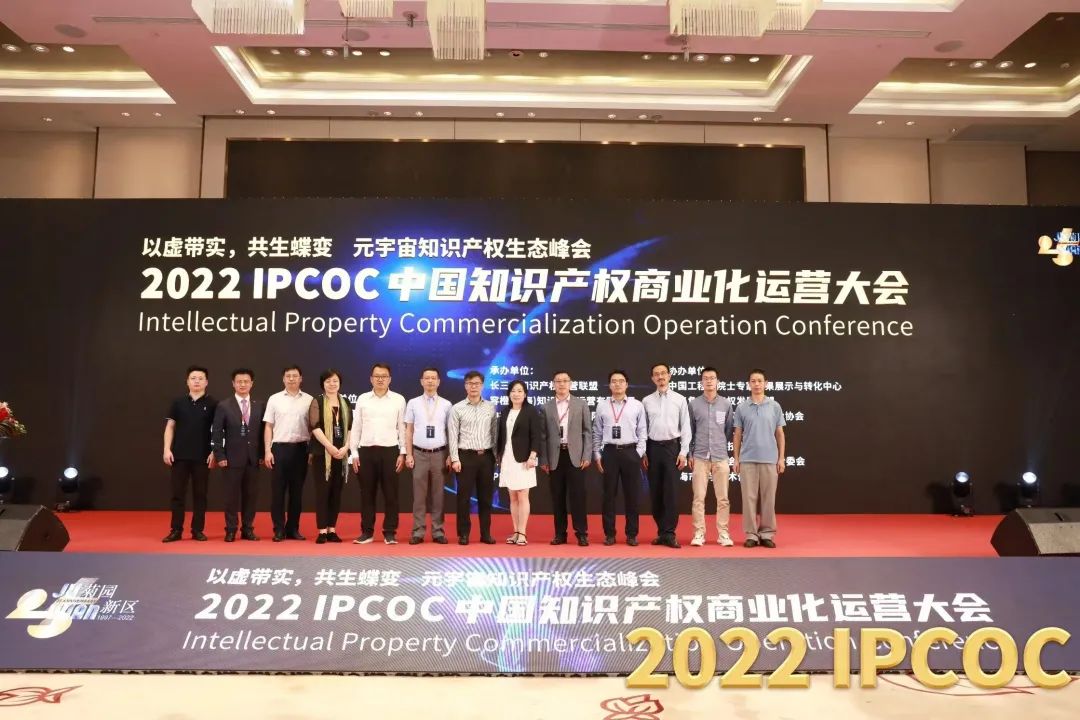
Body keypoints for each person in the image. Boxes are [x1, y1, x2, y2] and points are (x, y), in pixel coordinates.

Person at [349, 363, 406, 545]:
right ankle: (367, 532)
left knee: (391, 494)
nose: (380, 379)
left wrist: (402, 453)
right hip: (366, 451)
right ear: (371, 379)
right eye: (377, 376)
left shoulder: (398, 399)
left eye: (384, 376)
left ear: (390, 379)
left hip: (390, 451)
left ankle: (390, 532)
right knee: (367, 494)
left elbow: (402, 428)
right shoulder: (363, 399)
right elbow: (356, 427)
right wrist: (354, 452)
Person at [592, 369, 647, 546]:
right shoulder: (602, 405)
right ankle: (609, 534)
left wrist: (638, 453)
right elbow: (596, 432)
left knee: (632, 495)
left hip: (631, 452)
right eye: (614, 381)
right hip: (610, 452)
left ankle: (632, 534)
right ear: (609, 385)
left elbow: (643, 431)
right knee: (608, 495)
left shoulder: (637, 405)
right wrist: (597, 454)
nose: (617, 384)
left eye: (621, 381)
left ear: (627, 384)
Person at [733, 368, 787, 549]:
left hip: (770, 459)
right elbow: (737, 435)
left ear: (766, 384)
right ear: (749, 384)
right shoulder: (742, 407)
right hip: (747, 459)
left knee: (768, 498)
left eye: (760, 381)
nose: (757, 384)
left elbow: (780, 433)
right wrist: (736, 459)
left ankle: (767, 533)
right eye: (753, 381)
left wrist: (781, 458)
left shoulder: (774, 406)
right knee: (748, 499)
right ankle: (751, 534)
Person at [162, 365, 216, 543]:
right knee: (177, 495)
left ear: (206, 382)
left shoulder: (213, 404)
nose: (197, 381)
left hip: (203, 456)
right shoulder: (178, 403)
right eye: (193, 378)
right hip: (179, 456)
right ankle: (176, 530)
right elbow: (170, 427)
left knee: (200, 495)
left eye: (200, 378)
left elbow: (218, 431)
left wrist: (215, 451)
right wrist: (167, 449)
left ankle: (197, 530)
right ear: (187, 381)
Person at [539, 370, 592, 546]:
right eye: (558, 381)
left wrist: (586, 454)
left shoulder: (581, 404)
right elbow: (543, 436)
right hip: (555, 457)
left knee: (578, 497)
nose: (561, 384)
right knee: (558, 497)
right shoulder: (546, 407)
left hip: (575, 456)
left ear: (570, 383)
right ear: (553, 384)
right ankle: (560, 534)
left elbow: (587, 432)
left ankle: (581, 533)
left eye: (565, 381)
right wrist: (544, 459)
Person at [642, 363, 691, 549]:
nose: (660, 377)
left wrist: (683, 452)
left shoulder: (680, 399)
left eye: (663, 373)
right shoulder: (646, 401)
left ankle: (670, 533)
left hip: (672, 448)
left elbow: (685, 427)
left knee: (670, 492)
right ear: (652, 378)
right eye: (657, 374)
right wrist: (643, 451)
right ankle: (661, 532)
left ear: (669, 376)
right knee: (656, 492)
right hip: (652, 448)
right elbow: (643, 428)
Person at [211, 368, 263, 542]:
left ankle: (248, 529)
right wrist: (220, 455)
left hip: (253, 459)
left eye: (246, 381)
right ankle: (231, 529)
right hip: (231, 459)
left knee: (251, 497)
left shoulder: (259, 405)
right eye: (239, 381)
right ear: (233, 384)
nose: (242, 384)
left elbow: (263, 432)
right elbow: (217, 432)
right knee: (231, 497)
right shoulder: (224, 406)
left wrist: (262, 454)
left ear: (252, 383)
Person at [263, 365, 313, 542]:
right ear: (283, 379)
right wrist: (267, 450)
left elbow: (313, 428)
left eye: (295, 376)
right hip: (279, 449)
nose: (291, 379)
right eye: (288, 376)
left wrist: (311, 451)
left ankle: (293, 528)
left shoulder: (309, 400)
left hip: (301, 449)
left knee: (296, 493)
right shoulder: (274, 399)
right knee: (278, 492)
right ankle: (278, 529)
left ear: (301, 378)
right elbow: (268, 426)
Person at [448, 370, 498, 545]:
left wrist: (496, 456)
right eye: (470, 383)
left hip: (486, 457)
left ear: (482, 385)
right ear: (465, 386)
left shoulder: (490, 407)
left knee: (486, 498)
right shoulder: (457, 408)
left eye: (477, 383)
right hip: (465, 457)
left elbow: (494, 433)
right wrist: (455, 458)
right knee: (464, 498)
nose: (473, 387)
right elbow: (452, 435)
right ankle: (463, 534)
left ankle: (486, 533)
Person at [404, 367, 452, 545]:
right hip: (419, 453)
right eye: (427, 378)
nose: (430, 381)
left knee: (438, 496)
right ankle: (418, 531)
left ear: (438, 382)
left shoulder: (447, 404)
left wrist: (450, 455)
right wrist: (408, 454)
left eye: (433, 378)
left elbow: (451, 432)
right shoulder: (413, 403)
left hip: (440, 454)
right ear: (421, 381)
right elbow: (408, 431)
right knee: (419, 496)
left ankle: (438, 531)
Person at [688, 366, 735, 547]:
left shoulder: (726, 404)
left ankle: (723, 533)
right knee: (698, 498)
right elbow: (690, 431)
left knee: (723, 499)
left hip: (720, 456)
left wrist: (719, 445)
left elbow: (728, 430)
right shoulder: (693, 404)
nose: (709, 381)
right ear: (701, 382)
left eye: (712, 378)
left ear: (718, 381)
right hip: (700, 457)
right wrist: (690, 453)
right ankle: (699, 533)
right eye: (706, 378)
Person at [309, 369, 351, 545]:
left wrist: (346, 447)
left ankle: (332, 529)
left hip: (341, 454)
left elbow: (351, 428)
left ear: (339, 383)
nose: (332, 384)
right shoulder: (317, 401)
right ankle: (322, 531)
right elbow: (315, 426)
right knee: (323, 492)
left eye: (335, 381)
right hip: (322, 453)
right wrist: (330, 446)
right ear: (323, 384)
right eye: (328, 381)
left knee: (336, 492)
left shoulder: (345, 402)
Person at [497, 380, 542, 546]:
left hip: (524, 459)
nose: (516, 394)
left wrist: (533, 456)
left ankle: (522, 532)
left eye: (520, 391)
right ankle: (515, 531)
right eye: (513, 391)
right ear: (509, 394)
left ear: (525, 394)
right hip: (508, 458)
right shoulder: (505, 411)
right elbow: (501, 436)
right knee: (513, 497)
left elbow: (536, 436)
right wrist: (499, 455)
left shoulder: (531, 411)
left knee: (523, 495)